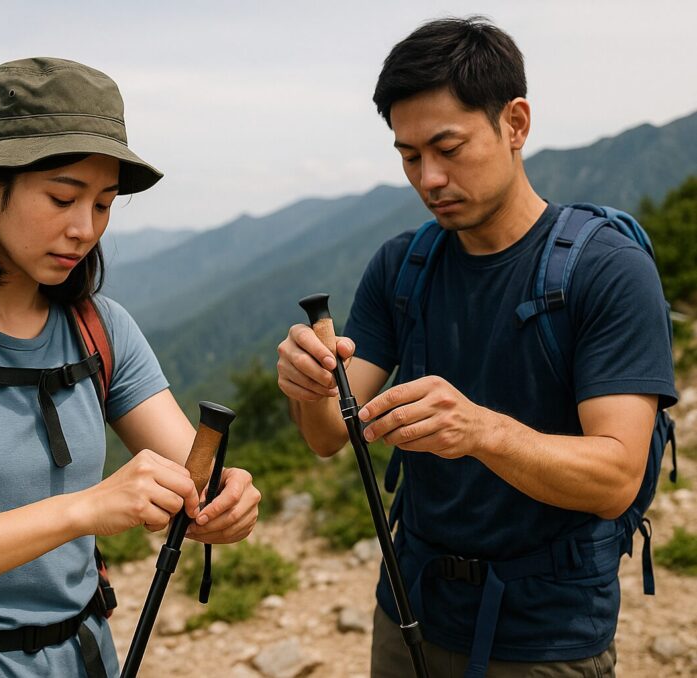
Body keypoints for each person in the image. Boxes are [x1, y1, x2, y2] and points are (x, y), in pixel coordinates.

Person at [0, 57, 261, 677]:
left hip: (83, 659)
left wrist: (226, 503)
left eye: (105, 204)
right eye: (62, 197)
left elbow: (195, 476)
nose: (84, 229)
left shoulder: (100, 328)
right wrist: (85, 509)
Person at [276, 17, 676, 677]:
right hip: (407, 609)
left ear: (514, 124)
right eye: (408, 156)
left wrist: (480, 432)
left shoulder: (604, 270)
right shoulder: (401, 266)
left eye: (447, 147)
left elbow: (614, 478)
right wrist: (310, 386)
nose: (428, 177)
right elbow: (326, 437)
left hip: (544, 634)